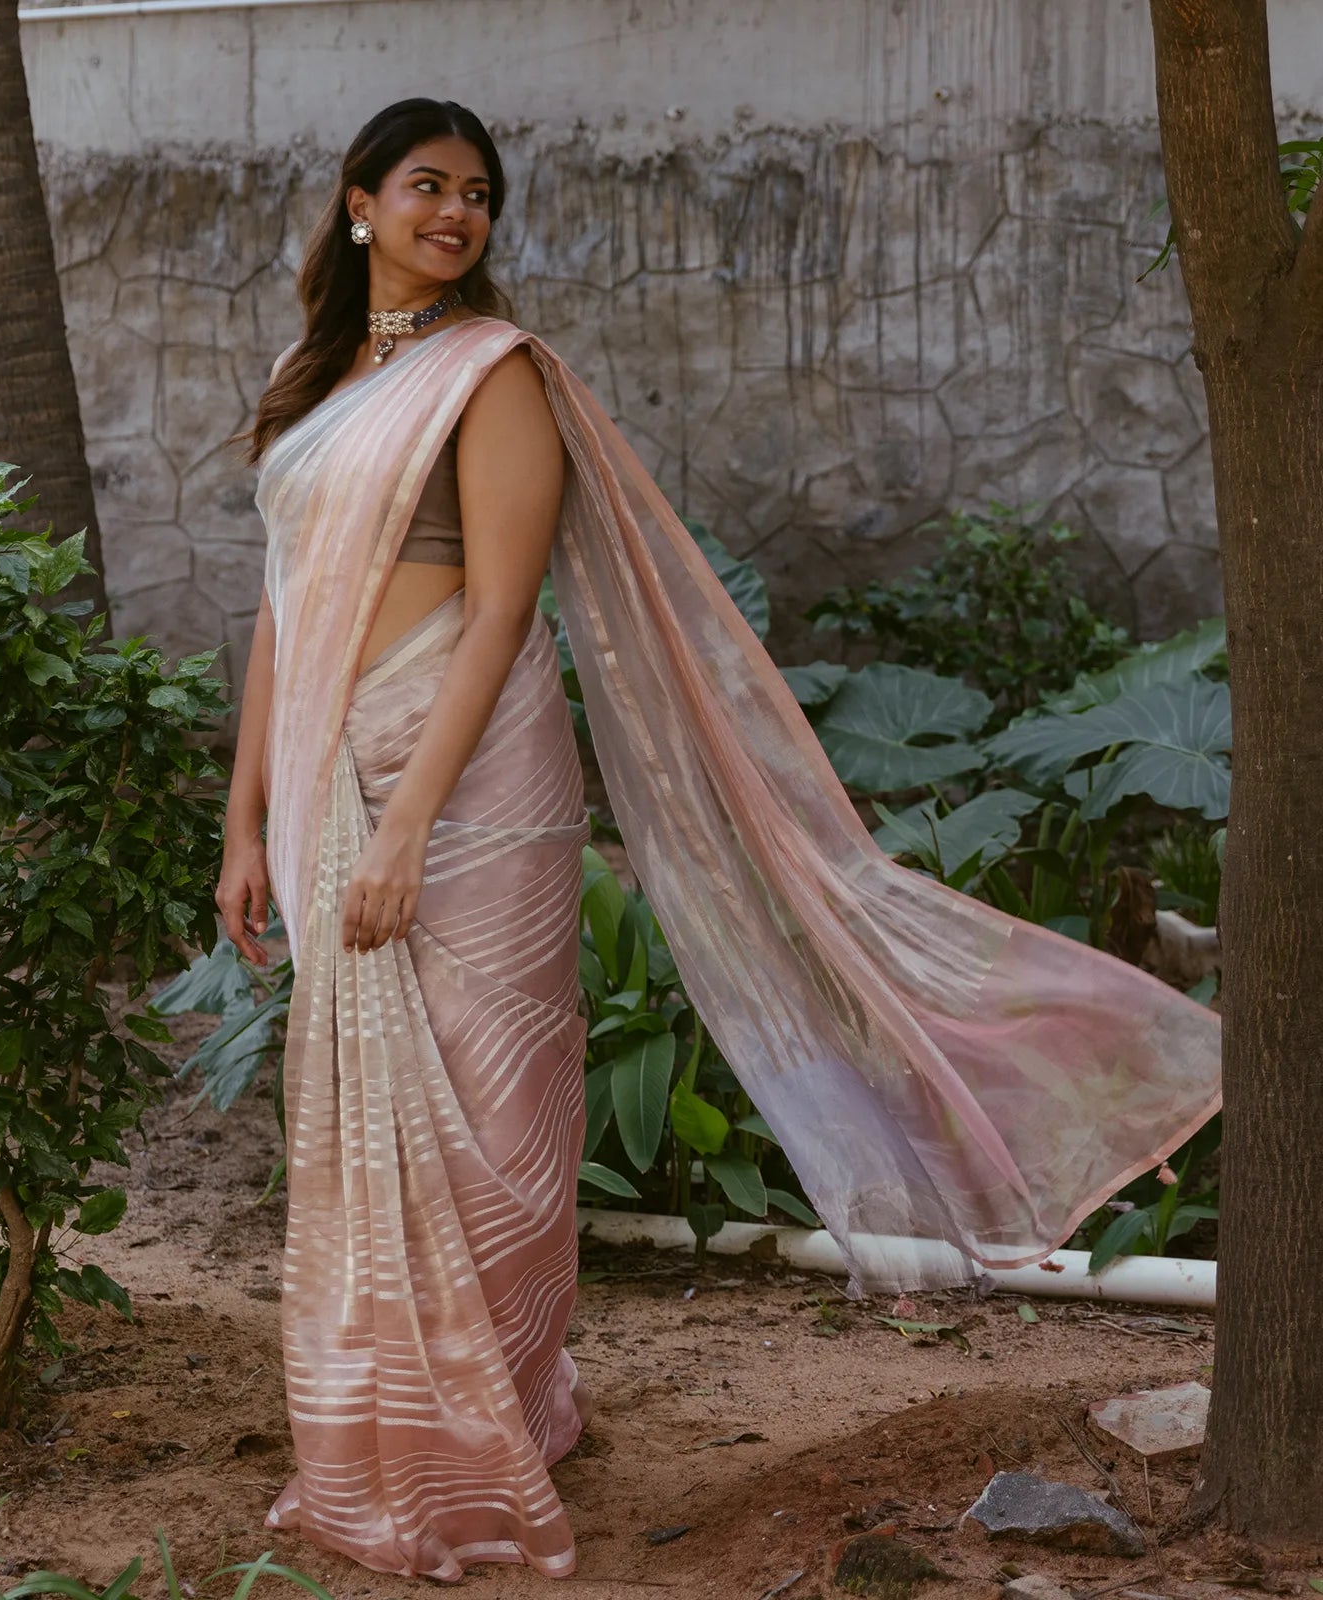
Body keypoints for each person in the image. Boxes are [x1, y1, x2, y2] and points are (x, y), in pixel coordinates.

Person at [218, 98, 1221, 1581]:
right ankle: (380, 1435)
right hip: (322, 778)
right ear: (356, 202)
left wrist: (408, 826)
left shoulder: (492, 375)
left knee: (491, 1112)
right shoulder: (312, 393)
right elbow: (283, 621)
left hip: (466, 778)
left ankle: (473, 1446)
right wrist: (244, 821)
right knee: (364, 1119)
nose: (456, 214)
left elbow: (500, 612)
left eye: (479, 195)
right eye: (426, 186)